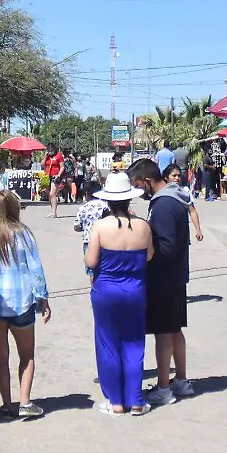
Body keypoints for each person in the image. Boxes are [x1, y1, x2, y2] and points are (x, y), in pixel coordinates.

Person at [0, 190, 52, 419]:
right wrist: (43, 298)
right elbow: (35, 269)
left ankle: (7, 404)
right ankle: (25, 402)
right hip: (21, 301)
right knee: (26, 354)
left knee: (0, 355)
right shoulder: (23, 234)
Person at [85, 172, 153, 416]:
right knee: (134, 343)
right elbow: (149, 256)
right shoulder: (143, 226)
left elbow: (91, 261)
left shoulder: (101, 226)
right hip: (135, 289)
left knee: (108, 343)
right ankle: (135, 399)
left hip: (106, 290)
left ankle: (115, 400)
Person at [130, 158, 193, 406]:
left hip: (165, 277)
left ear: (147, 181)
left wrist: (144, 237)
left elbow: (165, 245)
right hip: (175, 275)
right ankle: (181, 380)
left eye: (138, 185)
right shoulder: (172, 199)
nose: (138, 191)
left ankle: (164, 387)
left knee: (164, 333)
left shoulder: (164, 204)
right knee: (174, 329)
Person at [162, 164, 206, 244]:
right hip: (166, 233)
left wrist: (198, 230)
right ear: (166, 177)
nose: (177, 178)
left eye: (178, 176)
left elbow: (192, 211)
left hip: (182, 232)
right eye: (174, 176)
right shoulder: (161, 192)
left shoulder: (185, 191)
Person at [43, 147, 66, 217]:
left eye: (51, 150)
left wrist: (59, 175)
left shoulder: (59, 156)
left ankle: (54, 213)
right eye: (49, 150)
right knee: (48, 193)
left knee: (52, 194)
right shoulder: (47, 156)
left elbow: (62, 167)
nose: (50, 151)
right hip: (47, 176)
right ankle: (52, 210)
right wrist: (45, 157)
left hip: (55, 176)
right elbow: (42, 164)